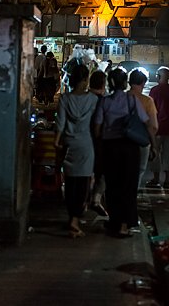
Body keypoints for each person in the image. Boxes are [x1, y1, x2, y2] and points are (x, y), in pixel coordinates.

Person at [94, 67, 156, 238]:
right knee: (128, 186)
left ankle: (114, 222)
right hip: (130, 148)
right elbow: (146, 122)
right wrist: (154, 145)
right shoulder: (131, 100)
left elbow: (97, 128)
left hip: (111, 147)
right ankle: (124, 225)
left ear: (111, 82)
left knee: (113, 186)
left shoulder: (105, 102)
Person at [55, 64, 98, 239]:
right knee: (83, 184)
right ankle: (74, 220)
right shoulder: (93, 100)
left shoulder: (65, 99)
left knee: (70, 184)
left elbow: (60, 123)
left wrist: (56, 141)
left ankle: (71, 218)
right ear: (86, 79)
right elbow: (97, 124)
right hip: (86, 145)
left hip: (69, 144)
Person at [127, 68, 158, 190]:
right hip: (141, 141)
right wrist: (154, 145)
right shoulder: (147, 101)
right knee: (139, 171)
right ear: (143, 83)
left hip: (121, 139)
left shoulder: (121, 98)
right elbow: (153, 126)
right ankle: (132, 196)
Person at [88, 69, 109, 217]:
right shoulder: (104, 100)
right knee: (102, 173)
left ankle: (84, 201)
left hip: (82, 140)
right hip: (99, 141)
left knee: (86, 173)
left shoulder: (84, 97)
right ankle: (95, 200)